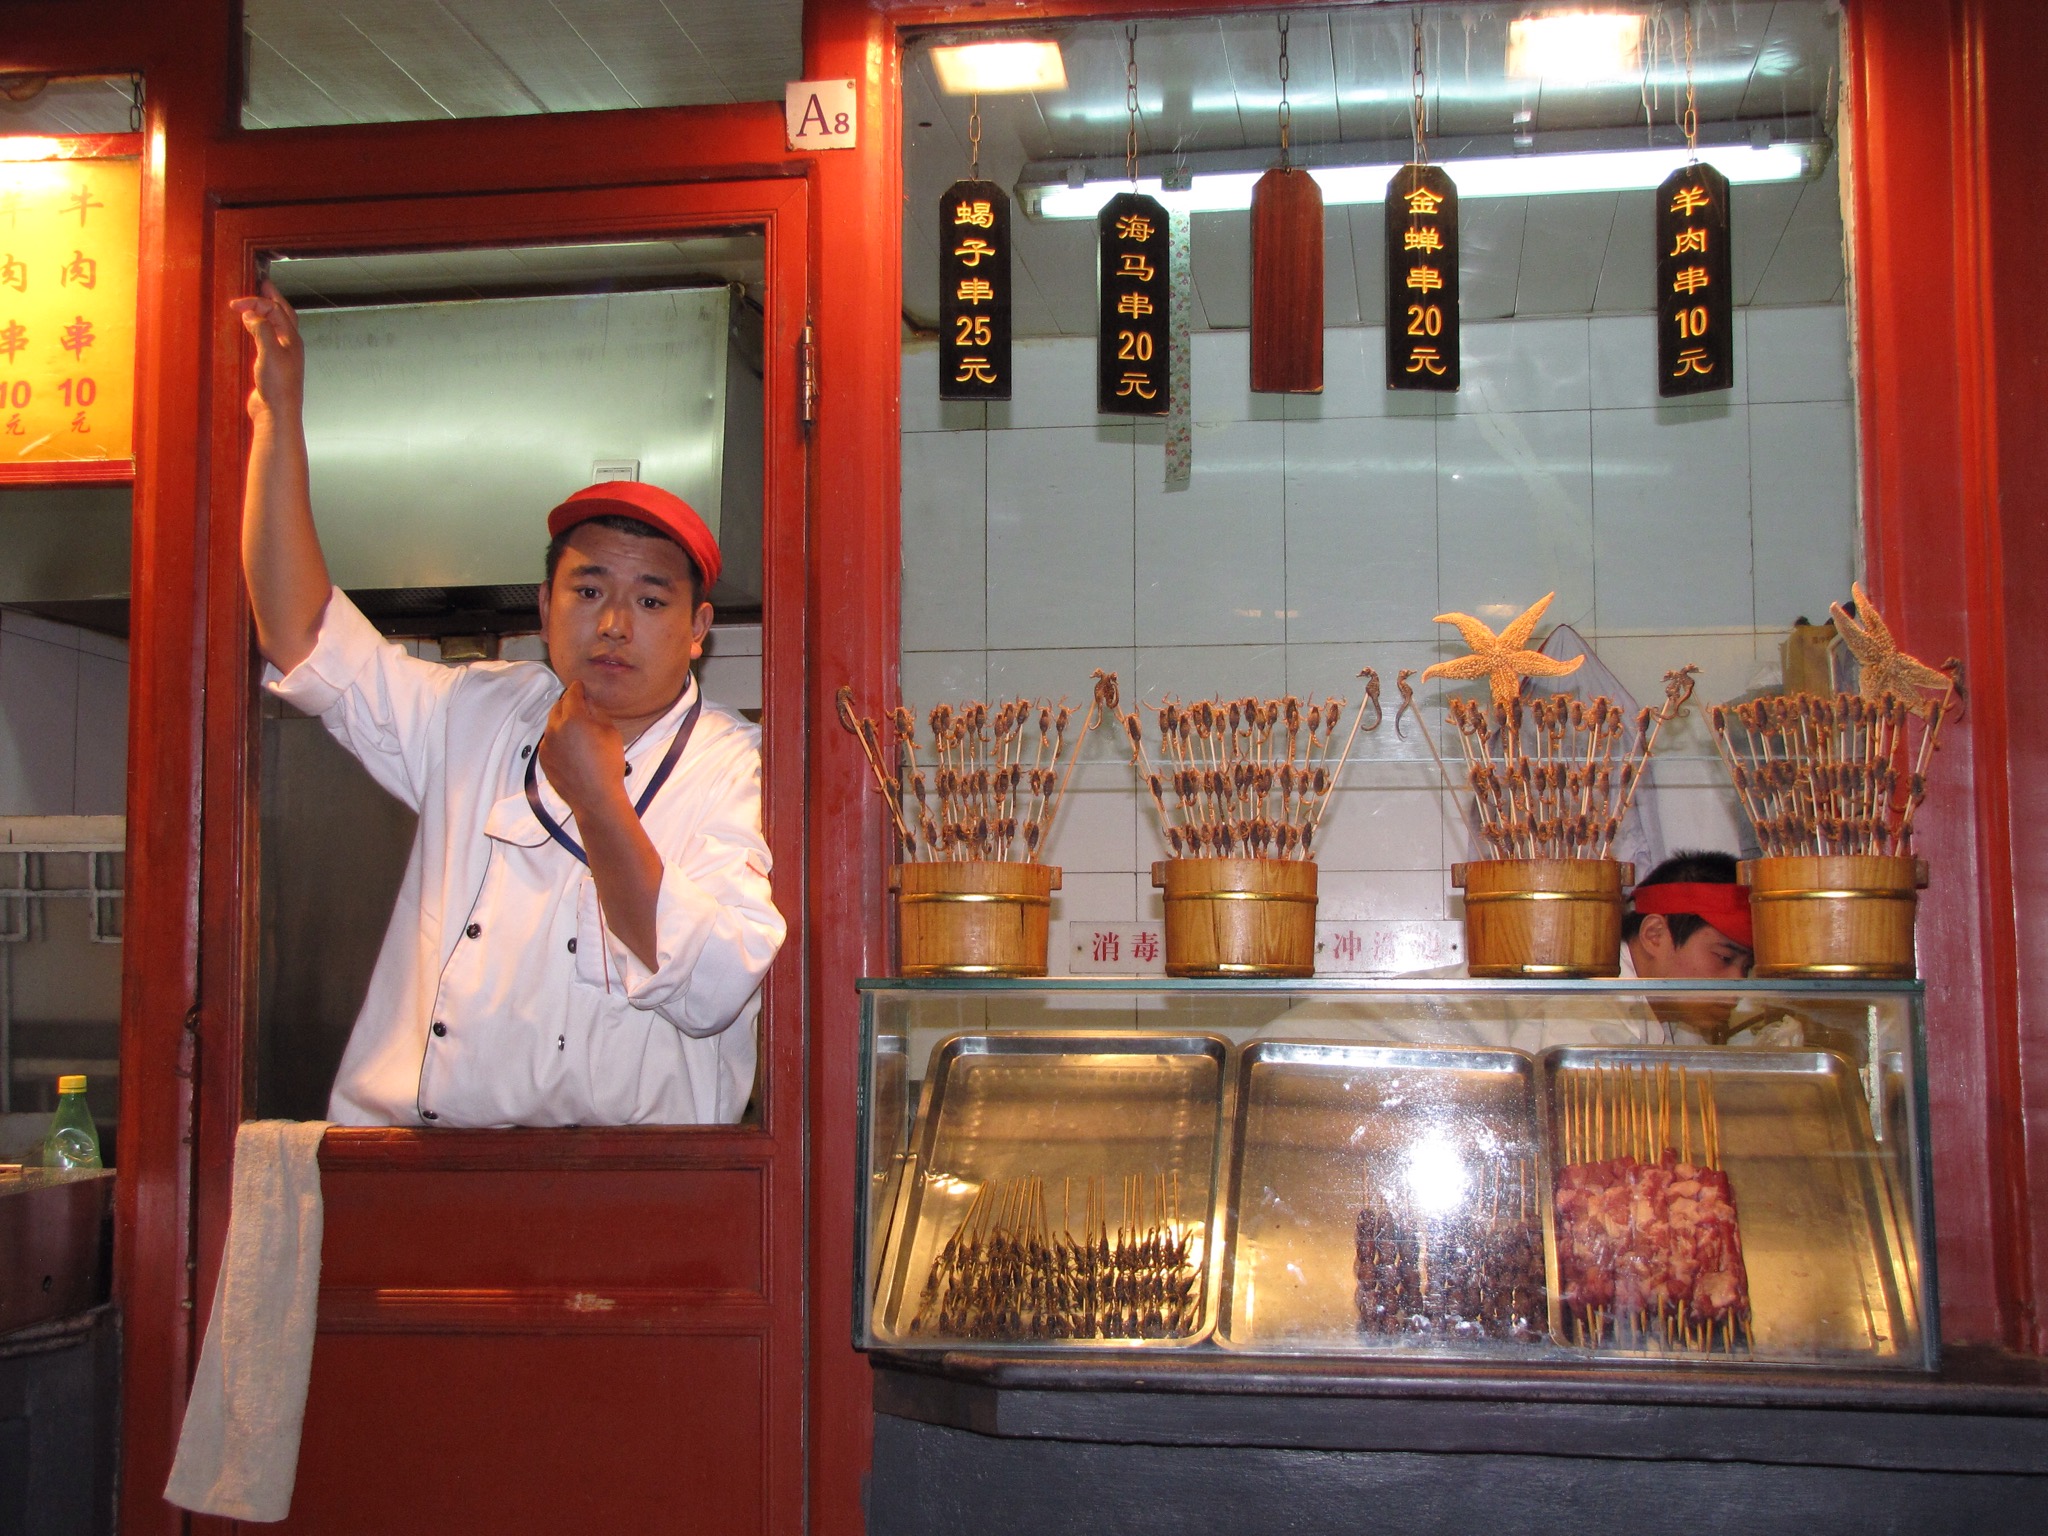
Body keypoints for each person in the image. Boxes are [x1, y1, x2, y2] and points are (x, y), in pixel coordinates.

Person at [231, 280, 785, 1127]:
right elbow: (299, 633)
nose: (613, 624)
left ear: (698, 629)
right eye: (588, 591)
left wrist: (598, 798)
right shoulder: (476, 712)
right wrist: (276, 416)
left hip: (642, 1182)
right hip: (430, 1170)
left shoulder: (736, 767)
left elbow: (714, 986)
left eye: (650, 600)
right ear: (543, 605)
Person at [1621, 850, 1754, 980]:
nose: (1738, 979)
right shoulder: (1609, 988)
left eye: (1747, 967)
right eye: (1725, 957)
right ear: (1655, 934)